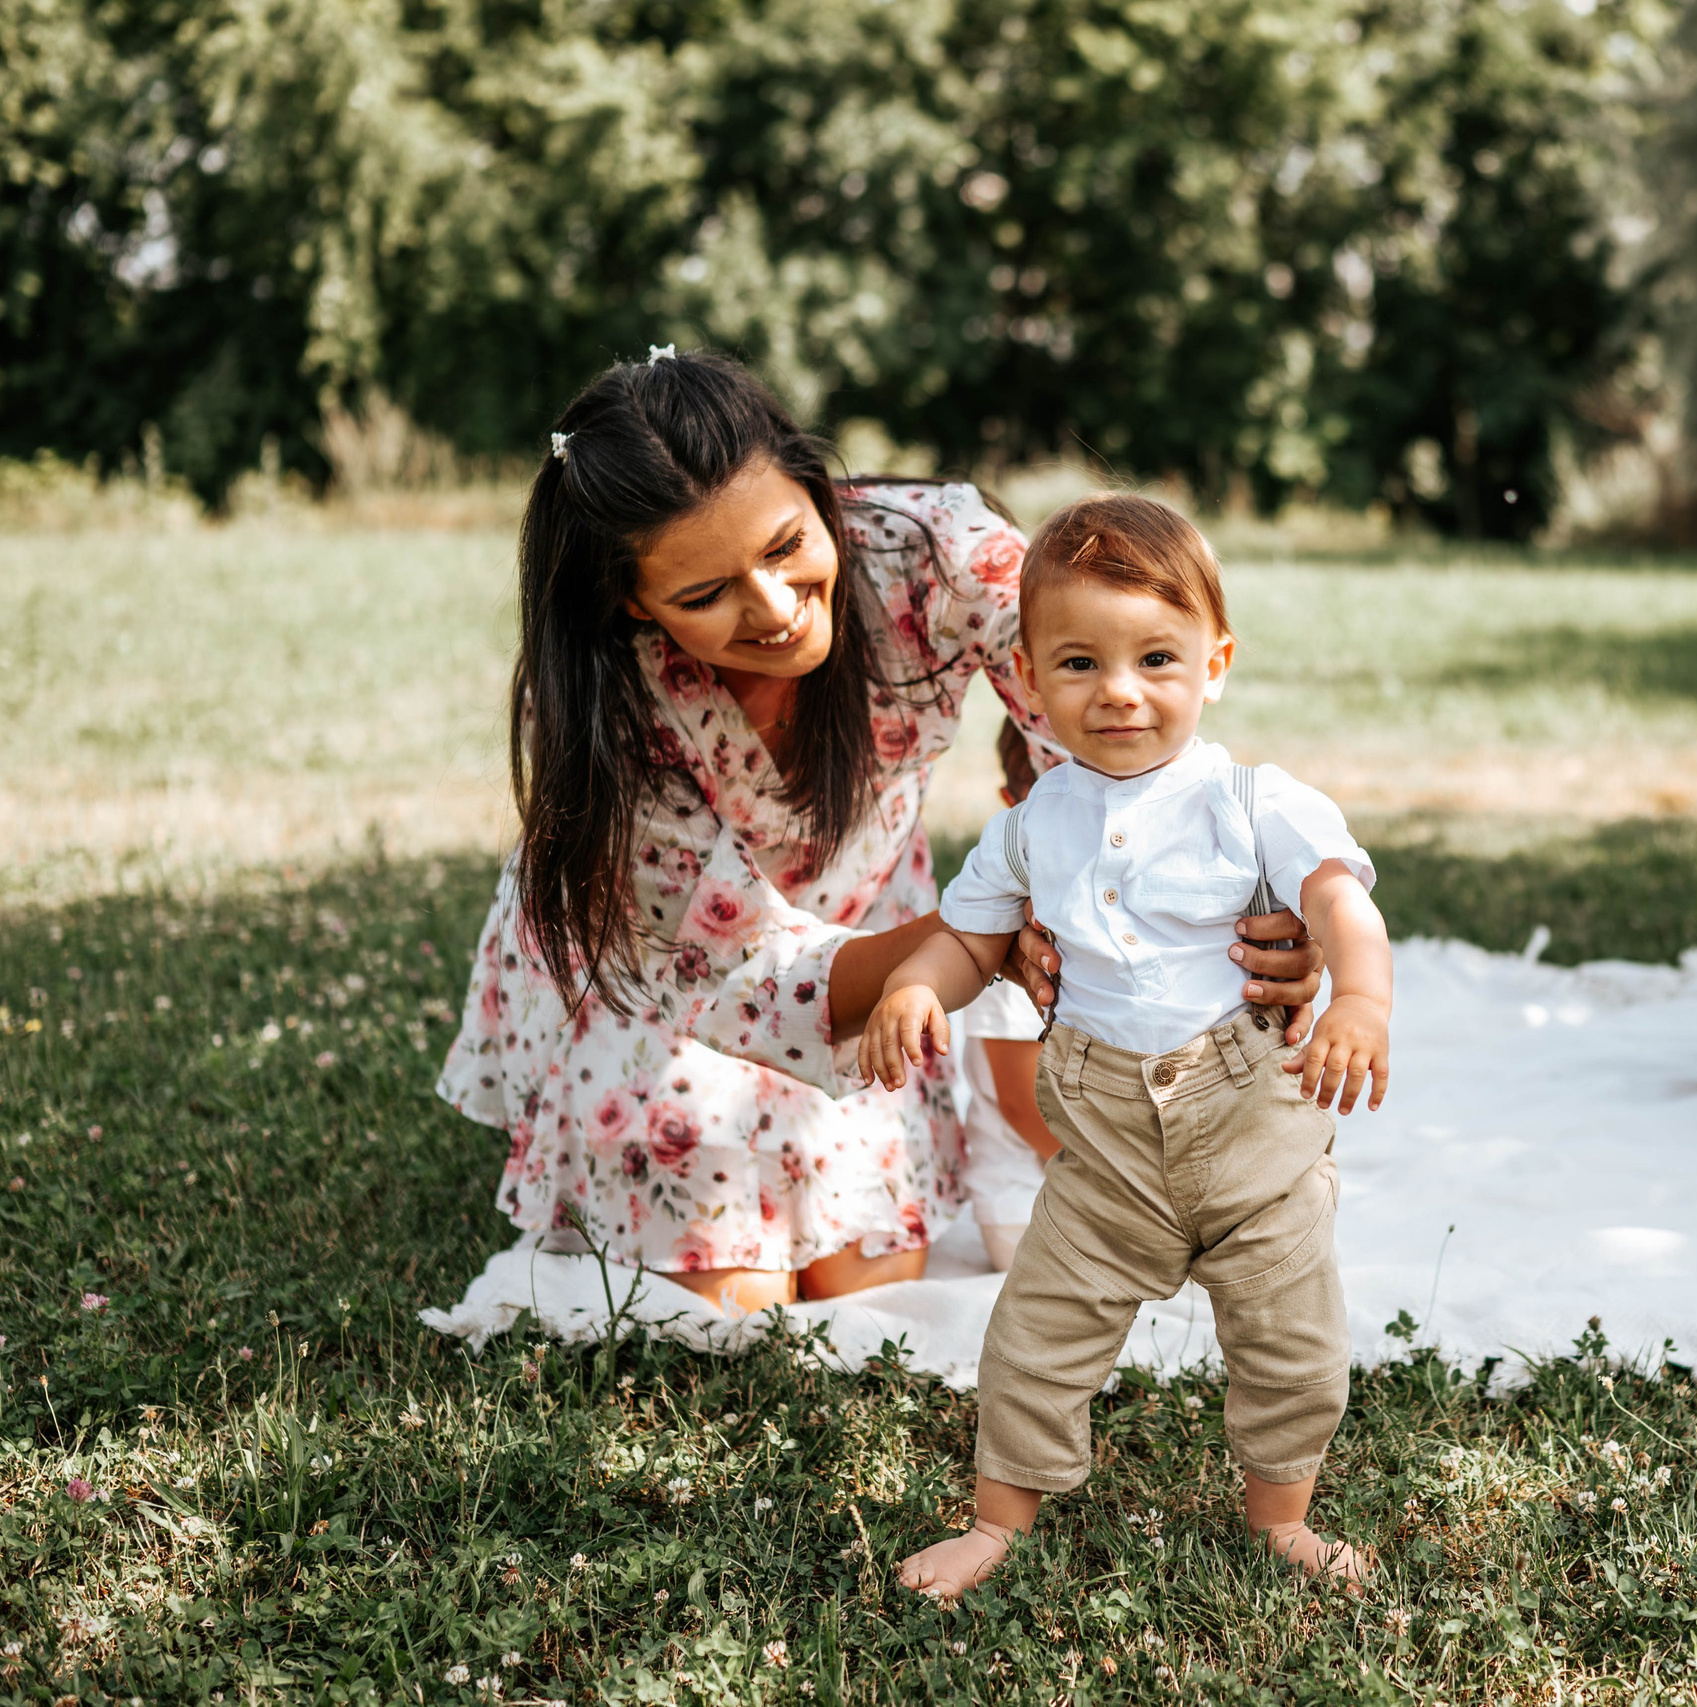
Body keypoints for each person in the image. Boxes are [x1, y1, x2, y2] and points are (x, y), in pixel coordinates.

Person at [435, 352, 1324, 1315]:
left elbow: (1127, 719)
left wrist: (1241, 912)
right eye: (705, 594)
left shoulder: (935, 555)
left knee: (865, 1287)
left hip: (879, 918)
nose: (776, 608)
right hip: (677, 973)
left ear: (817, 489)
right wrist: (981, 937)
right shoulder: (598, 706)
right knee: (733, 1299)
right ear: (633, 600)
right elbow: (732, 970)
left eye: (786, 545)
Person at [860, 494, 1393, 1597]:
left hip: (1250, 1133)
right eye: (1079, 662)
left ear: (1215, 663)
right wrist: (916, 985)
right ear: (1029, 678)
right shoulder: (1029, 824)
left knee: (1293, 1343)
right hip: (1104, 1152)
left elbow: (1340, 901)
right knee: (1032, 1337)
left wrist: (1361, 1000)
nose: (1118, 690)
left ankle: (1283, 1520)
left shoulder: (1253, 803)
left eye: (1156, 657)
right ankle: (995, 1525)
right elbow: (971, 939)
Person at [958, 723, 1059, 1273]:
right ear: (1010, 809)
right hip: (1028, 1194)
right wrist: (1129, 1183)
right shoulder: (1007, 927)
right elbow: (1023, 1106)